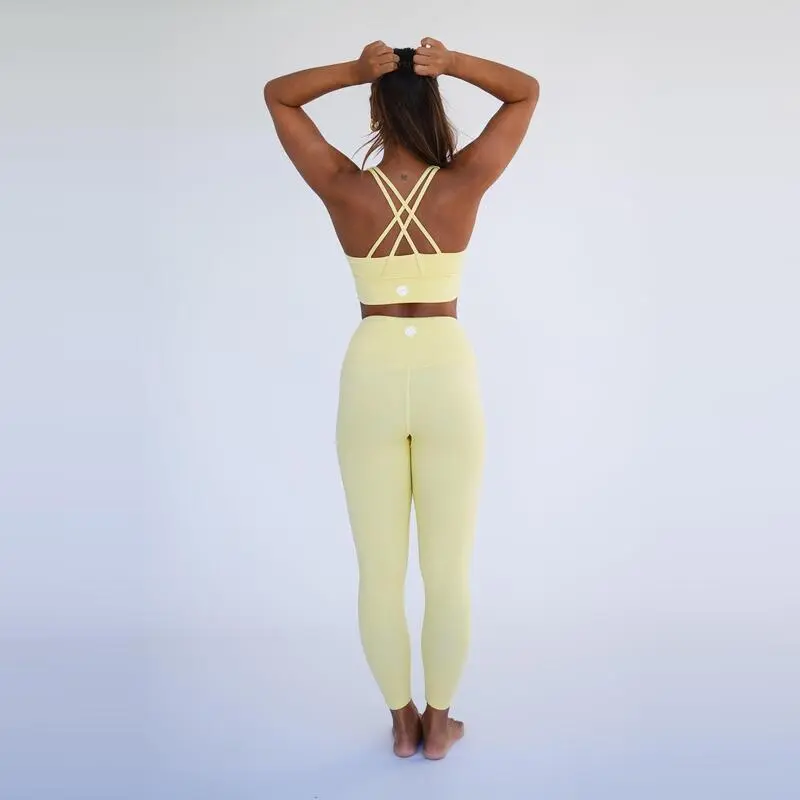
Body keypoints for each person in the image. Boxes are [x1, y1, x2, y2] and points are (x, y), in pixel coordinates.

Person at [264, 38, 539, 760]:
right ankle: (441, 725)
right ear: (435, 108)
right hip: (447, 370)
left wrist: (357, 71)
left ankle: (402, 720)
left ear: (376, 114)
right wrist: (457, 64)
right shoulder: (464, 182)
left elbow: (279, 95)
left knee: (379, 575)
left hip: (372, 373)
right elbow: (525, 91)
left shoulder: (344, 188)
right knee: (449, 572)